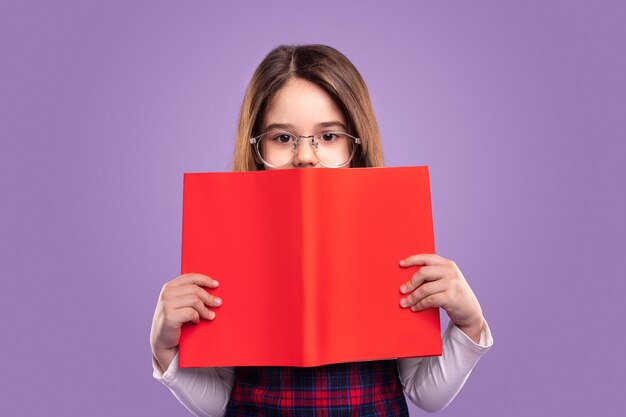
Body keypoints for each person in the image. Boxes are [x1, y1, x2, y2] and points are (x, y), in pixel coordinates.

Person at [150, 44, 493, 417]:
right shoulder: (232, 247)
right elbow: (223, 403)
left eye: (328, 136)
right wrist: (165, 350)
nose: (306, 155)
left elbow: (426, 394)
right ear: (256, 147)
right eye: (282, 138)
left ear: (356, 145)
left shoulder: (391, 238)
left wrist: (469, 323)